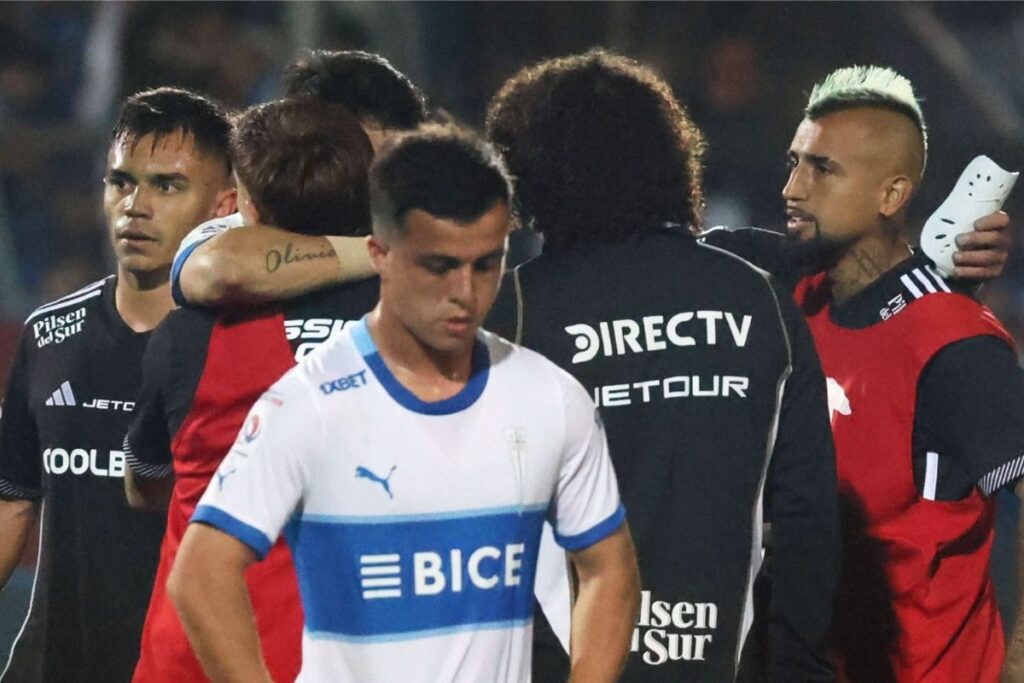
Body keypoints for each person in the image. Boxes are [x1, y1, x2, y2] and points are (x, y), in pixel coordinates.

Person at [167, 125, 641, 683]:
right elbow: (199, 575)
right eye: (439, 266)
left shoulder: (549, 397)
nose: (465, 292)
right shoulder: (311, 403)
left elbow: (610, 570)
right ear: (379, 254)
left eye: (486, 264)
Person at [484, 50, 838, 683]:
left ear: (528, 176)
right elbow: (808, 523)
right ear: (670, 159)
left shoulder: (510, 311)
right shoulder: (759, 302)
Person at [780, 66, 1024, 683]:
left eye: (822, 169)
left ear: (892, 195)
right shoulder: (792, 304)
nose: (793, 187)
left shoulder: (953, 340)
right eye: (794, 162)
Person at [123, 97, 376, 682]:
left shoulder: (186, 334)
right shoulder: (415, 329)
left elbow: (144, 485)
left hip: (192, 661)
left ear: (249, 205)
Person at [0, 88, 235, 682]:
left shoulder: (242, 351)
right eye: (121, 182)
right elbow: (13, 500)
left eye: (168, 185)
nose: (136, 205)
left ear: (222, 205)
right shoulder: (49, 336)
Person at [171, 49, 429, 309]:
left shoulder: (437, 229)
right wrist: (400, 256)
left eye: (396, 163)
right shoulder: (232, 230)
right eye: (362, 162)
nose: (381, 183)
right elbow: (222, 269)